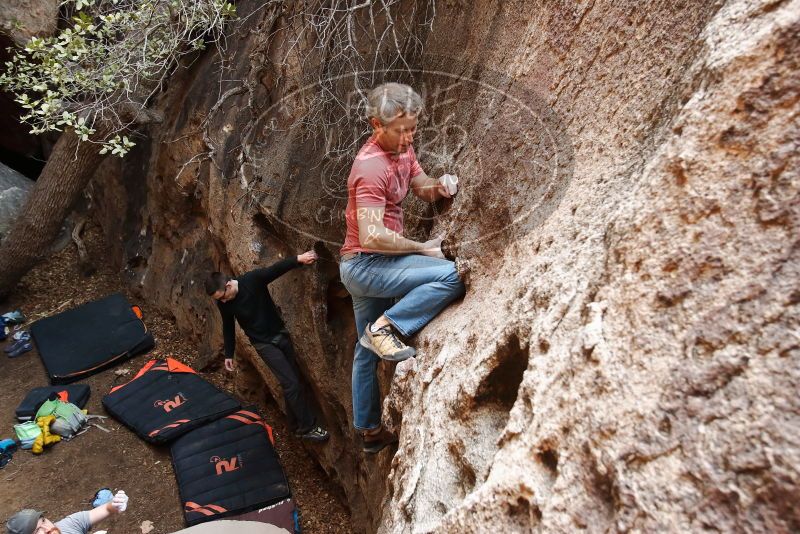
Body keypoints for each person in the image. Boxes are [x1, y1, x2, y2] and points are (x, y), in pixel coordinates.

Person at [340, 82, 466, 453]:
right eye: (401, 130)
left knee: (365, 350)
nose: (409, 137)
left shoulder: (402, 151)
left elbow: (419, 183)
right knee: (450, 275)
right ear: (376, 124)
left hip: (374, 265)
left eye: (413, 128)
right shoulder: (370, 168)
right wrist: (423, 249)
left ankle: (369, 431)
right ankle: (389, 326)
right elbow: (373, 235)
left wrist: (438, 187)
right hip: (367, 265)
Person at [204, 251, 329, 442]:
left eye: (223, 297)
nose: (223, 301)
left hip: (280, 334)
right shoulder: (225, 305)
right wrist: (228, 354)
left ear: (228, 285)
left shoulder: (252, 280)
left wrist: (299, 259)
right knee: (291, 383)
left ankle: (294, 426)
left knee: (294, 382)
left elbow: (274, 270)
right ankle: (308, 427)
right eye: (219, 300)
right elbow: (228, 327)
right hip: (263, 344)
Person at [6, 490, 128, 534]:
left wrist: (115, 504)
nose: (48, 528)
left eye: (43, 520)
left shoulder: (67, 525)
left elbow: (106, 509)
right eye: (37, 530)